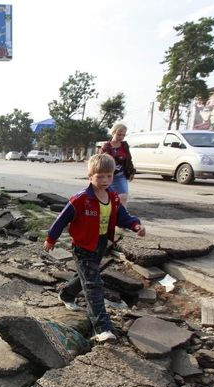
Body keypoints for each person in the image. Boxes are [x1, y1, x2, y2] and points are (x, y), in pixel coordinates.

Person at [43, 153, 146, 344]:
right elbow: (62, 219)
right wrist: (51, 238)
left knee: (86, 276)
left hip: (100, 244)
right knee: (93, 285)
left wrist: (135, 225)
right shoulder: (81, 199)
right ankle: (103, 328)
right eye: (100, 176)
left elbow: (122, 215)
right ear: (90, 176)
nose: (105, 180)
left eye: (109, 176)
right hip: (82, 246)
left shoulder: (113, 197)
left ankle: (66, 293)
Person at [100, 123, 136, 207]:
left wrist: (131, 172)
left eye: (123, 135)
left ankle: (123, 217)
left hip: (120, 176)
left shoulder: (124, 145)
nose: (121, 137)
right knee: (107, 199)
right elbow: (100, 162)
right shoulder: (106, 146)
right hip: (108, 176)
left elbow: (128, 159)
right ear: (113, 133)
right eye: (119, 134)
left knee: (123, 197)